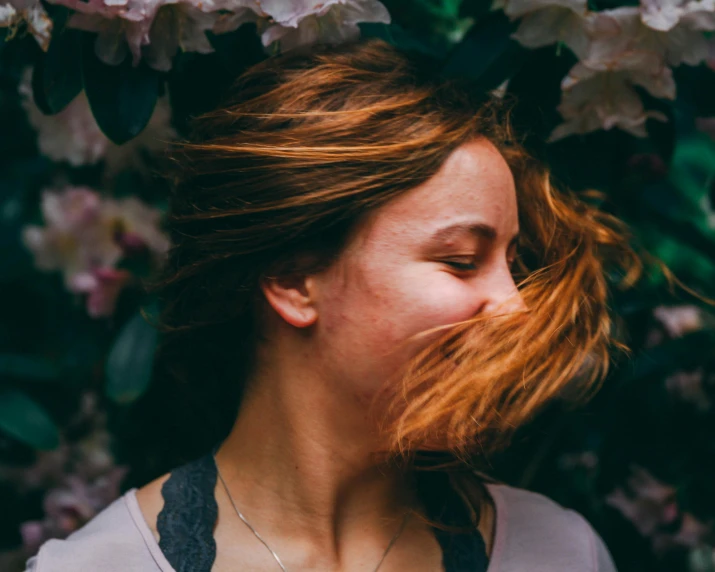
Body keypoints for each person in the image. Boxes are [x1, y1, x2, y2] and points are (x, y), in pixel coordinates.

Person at [24, 38, 641, 571]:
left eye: (512, 263)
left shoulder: (561, 553)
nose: (515, 310)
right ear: (294, 281)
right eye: (460, 260)